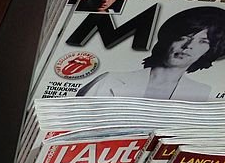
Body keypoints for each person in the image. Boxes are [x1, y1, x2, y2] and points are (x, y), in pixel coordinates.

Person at [76, 7, 225, 100]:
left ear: (210, 50)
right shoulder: (110, 80)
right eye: (184, 37)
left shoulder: (203, 93)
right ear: (169, 39)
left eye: (203, 41)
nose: (188, 46)